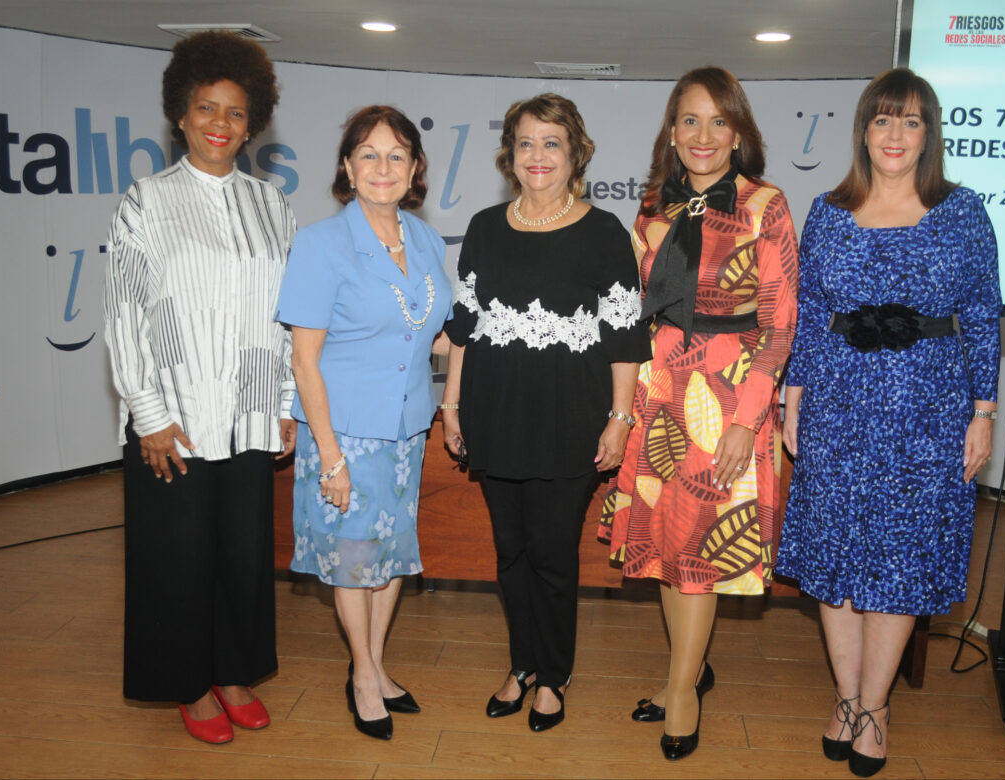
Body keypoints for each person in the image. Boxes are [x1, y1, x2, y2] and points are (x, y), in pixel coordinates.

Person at [777, 68, 1001, 778]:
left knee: (900, 558)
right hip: (837, 404)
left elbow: (983, 316)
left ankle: (876, 707)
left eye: (910, 120)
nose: (895, 134)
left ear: (929, 134)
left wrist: (984, 412)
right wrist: (792, 396)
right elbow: (811, 313)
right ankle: (846, 699)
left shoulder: (961, 212)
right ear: (864, 131)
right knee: (836, 552)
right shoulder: (828, 211)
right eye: (882, 119)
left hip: (928, 410)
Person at [598, 65, 799, 761]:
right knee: (666, 547)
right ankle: (684, 672)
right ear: (671, 131)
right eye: (689, 120)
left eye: (719, 121)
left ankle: (683, 693)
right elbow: (631, 309)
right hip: (660, 393)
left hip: (728, 397)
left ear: (738, 133)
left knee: (698, 553)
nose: (703, 135)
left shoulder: (765, 204)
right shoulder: (653, 210)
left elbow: (780, 324)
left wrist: (747, 420)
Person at [104, 31, 295, 744]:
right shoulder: (146, 201)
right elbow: (123, 313)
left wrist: (283, 405)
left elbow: (287, 316)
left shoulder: (272, 205)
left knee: (242, 555)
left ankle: (234, 670)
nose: (221, 122)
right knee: (176, 558)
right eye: (207, 108)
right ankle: (188, 682)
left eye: (236, 112)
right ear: (181, 115)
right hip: (174, 418)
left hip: (249, 413)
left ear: (253, 124)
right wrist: (147, 413)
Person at [441, 93, 650, 733]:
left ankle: (554, 675)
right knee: (510, 552)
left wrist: (619, 419)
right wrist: (451, 406)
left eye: (551, 143)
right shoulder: (483, 227)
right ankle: (522, 664)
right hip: (494, 412)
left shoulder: (604, 232)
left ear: (575, 154)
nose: (538, 155)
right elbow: (464, 327)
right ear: (510, 154)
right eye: (526, 142)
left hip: (571, 419)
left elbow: (625, 338)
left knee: (553, 553)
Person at [275, 106, 451, 742]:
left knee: (392, 554)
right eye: (369, 154)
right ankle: (365, 679)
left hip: (406, 427)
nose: (383, 167)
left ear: (415, 169)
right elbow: (305, 359)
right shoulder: (320, 243)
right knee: (354, 558)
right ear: (348, 168)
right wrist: (330, 455)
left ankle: (372, 663)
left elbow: (433, 334)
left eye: (397, 155)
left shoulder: (426, 241)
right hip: (343, 431)